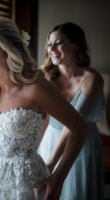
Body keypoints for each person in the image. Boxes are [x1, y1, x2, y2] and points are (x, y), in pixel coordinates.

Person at [0, 17, 87, 200]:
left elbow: (79, 127)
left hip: (22, 179)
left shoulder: (36, 88)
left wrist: (59, 177)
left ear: (10, 54)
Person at [38, 22, 105, 200]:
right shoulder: (46, 78)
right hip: (50, 140)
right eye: (49, 44)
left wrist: (52, 162)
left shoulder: (92, 79)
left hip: (80, 144)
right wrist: (35, 149)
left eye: (58, 43)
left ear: (76, 44)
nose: (52, 48)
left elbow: (73, 123)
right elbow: (43, 119)